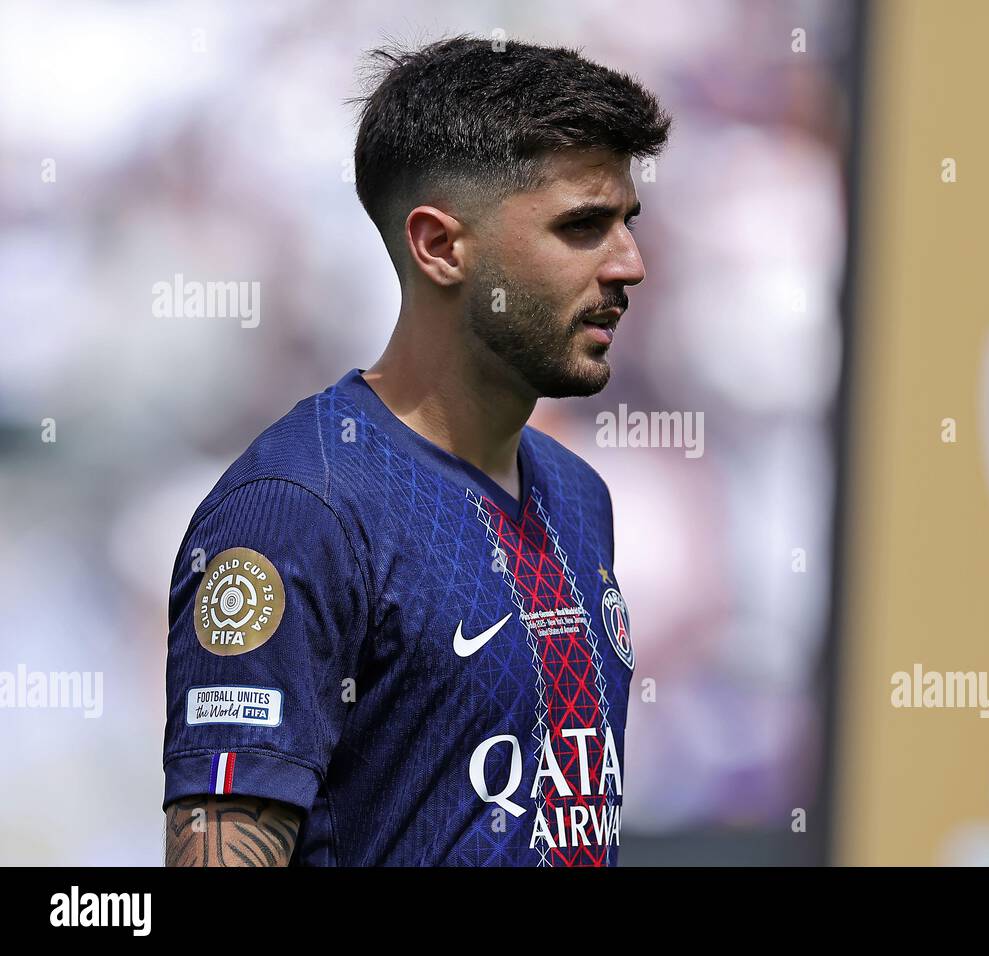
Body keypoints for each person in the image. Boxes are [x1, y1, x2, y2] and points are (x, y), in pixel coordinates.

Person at [162, 34, 671, 866]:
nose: (631, 264)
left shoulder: (579, 497)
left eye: (628, 222)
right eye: (584, 226)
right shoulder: (299, 510)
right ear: (439, 246)